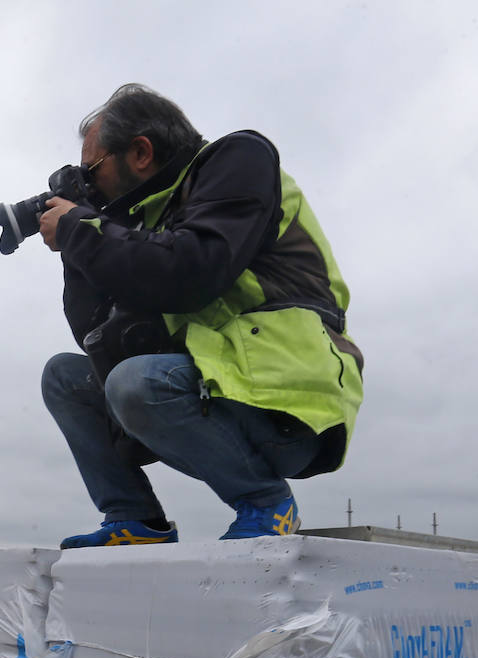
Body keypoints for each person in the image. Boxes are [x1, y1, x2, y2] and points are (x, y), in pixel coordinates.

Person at [35, 84, 364, 548]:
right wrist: (79, 240)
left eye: (93, 169)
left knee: (135, 381)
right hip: (218, 384)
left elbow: (192, 272)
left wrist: (82, 228)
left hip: (286, 402)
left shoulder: (237, 161)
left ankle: (267, 503)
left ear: (141, 152)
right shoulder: (148, 219)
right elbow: (98, 334)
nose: (90, 183)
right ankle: (136, 520)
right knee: (65, 376)